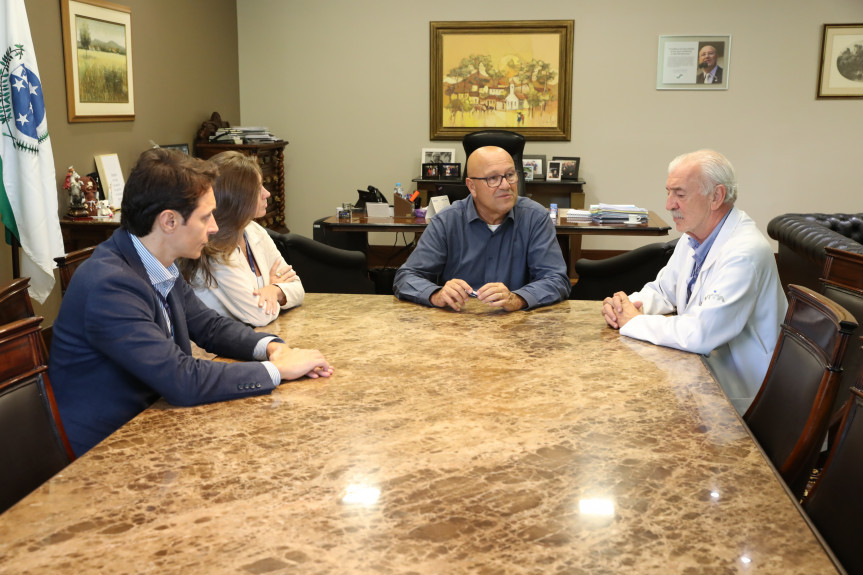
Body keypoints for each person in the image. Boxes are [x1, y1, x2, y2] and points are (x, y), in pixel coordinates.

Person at [49, 148, 333, 456]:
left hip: (156, 429)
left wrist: (271, 347)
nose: (214, 227)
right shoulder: (110, 285)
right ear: (169, 221)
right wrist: (275, 370)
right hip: (107, 452)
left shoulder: (157, 260)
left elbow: (208, 326)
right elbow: (181, 379)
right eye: (205, 216)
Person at [601, 149, 787, 414]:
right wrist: (625, 305)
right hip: (705, 378)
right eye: (668, 192)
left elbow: (701, 333)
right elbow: (664, 290)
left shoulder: (745, 253)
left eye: (680, 194)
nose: (669, 204)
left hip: (742, 398)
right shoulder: (694, 236)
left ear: (716, 196)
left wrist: (634, 321)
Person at [393, 145, 570, 312]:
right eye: (493, 178)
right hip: (456, 326)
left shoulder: (535, 218)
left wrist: (517, 298)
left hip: (516, 327)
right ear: (472, 186)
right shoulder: (447, 221)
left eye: (510, 175)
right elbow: (406, 277)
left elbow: (556, 279)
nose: (506, 185)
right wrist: (436, 294)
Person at [178, 151, 303, 327]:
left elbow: (298, 287)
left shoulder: (253, 230)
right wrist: (276, 290)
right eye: (258, 188)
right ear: (237, 199)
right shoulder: (213, 250)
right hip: (216, 350)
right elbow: (259, 315)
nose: (266, 193)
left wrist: (275, 290)